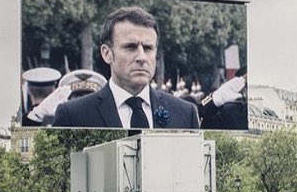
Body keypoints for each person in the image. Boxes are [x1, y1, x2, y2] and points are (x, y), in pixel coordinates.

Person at [52, 7, 200, 129]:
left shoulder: (185, 114)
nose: (141, 57)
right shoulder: (74, 115)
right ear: (107, 53)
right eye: (130, 47)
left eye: (148, 48)